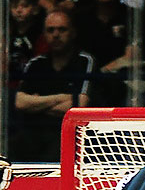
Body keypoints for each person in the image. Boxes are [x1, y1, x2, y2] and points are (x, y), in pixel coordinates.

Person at [13, 10, 95, 162]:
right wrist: (61, 98)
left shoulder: (85, 61)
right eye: (51, 30)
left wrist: (37, 103)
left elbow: (80, 105)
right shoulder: (36, 64)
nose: (56, 35)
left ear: (73, 33)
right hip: (33, 133)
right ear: (44, 34)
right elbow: (20, 102)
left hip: (69, 134)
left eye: (62, 29)